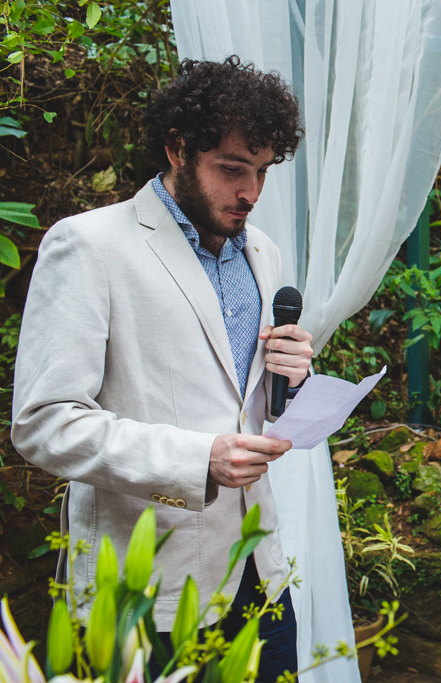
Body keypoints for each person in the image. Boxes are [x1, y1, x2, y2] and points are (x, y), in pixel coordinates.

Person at [12, 56, 312, 681]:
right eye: (232, 168)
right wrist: (196, 457)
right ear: (177, 148)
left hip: (262, 572)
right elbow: (43, 422)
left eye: (260, 172)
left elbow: (236, 396)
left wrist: (294, 374)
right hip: (150, 589)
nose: (250, 192)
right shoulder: (88, 245)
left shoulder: (263, 251)